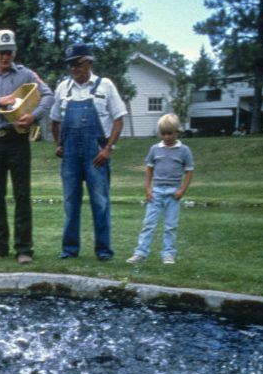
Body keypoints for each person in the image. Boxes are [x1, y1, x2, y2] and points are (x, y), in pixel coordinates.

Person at [0, 29, 53, 264]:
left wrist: (34, 116)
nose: (6, 57)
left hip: (17, 141)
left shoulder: (27, 75)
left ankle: (24, 249)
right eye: (1, 53)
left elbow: (48, 96)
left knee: (22, 195)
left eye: (9, 52)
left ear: (15, 52)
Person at [50, 43, 127, 261]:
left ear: (89, 62)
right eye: (70, 65)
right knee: (70, 203)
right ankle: (69, 250)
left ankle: (103, 251)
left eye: (78, 63)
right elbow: (54, 121)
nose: (74, 68)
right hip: (71, 156)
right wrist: (58, 144)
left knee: (100, 202)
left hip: (97, 154)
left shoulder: (106, 86)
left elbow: (119, 119)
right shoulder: (63, 89)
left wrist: (108, 148)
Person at [126, 113, 195, 265]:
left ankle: (168, 254)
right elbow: (149, 169)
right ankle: (140, 253)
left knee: (170, 226)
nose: (167, 137)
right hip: (156, 191)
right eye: (163, 134)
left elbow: (189, 171)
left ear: (177, 132)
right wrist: (148, 189)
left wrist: (182, 190)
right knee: (148, 223)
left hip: (173, 193)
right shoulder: (154, 149)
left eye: (170, 133)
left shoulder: (184, 151)